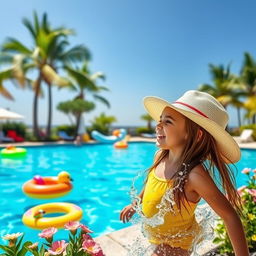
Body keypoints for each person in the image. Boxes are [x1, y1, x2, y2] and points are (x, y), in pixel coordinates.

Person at [120, 90, 249, 256]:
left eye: (168, 122)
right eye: (160, 120)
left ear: (196, 135)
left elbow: (230, 216)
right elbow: (152, 184)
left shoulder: (193, 176)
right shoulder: (160, 156)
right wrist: (136, 203)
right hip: (155, 245)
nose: (158, 125)